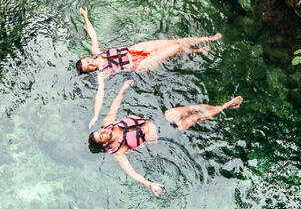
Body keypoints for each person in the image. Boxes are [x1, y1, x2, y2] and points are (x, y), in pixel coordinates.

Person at [87, 79, 242, 196]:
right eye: (101, 137)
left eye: (99, 132)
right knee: (193, 119)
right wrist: (149, 185)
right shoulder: (118, 151)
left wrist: (123, 88)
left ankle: (221, 107)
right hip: (162, 134)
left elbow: (114, 107)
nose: (103, 132)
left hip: (158, 119)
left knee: (192, 109)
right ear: (105, 143)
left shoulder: (108, 123)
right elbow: (131, 172)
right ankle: (226, 106)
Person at [77, 6, 222, 125]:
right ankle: (197, 51)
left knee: (174, 42)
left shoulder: (96, 53)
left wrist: (85, 16)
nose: (91, 63)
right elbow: (99, 95)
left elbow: (92, 36)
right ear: (89, 71)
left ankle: (207, 39)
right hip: (139, 64)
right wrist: (96, 115)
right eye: (88, 67)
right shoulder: (102, 73)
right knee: (176, 48)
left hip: (133, 50)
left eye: (87, 61)